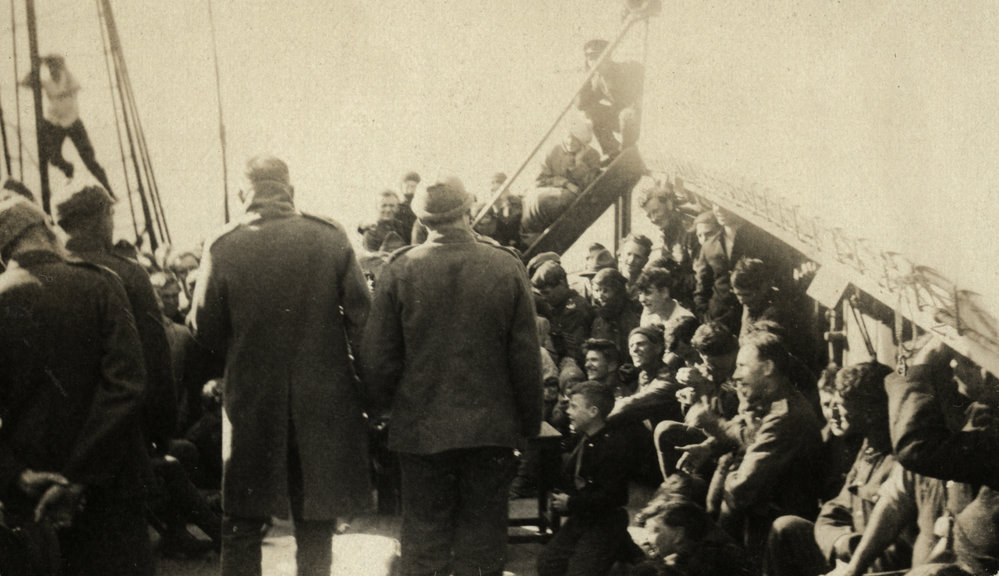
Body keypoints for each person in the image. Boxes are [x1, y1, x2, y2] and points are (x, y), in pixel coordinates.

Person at [187, 155, 372, 576]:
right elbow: (364, 321)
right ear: (290, 188)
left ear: (243, 192)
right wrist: (370, 393)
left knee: (242, 523)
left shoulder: (223, 244)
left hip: (252, 403)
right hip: (321, 404)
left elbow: (203, 329)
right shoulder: (328, 236)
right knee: (315, 524)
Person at [361, 175, 542, 576]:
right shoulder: (505, 265)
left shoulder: (400, 269)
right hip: (491, 433)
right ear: (468, 211)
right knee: (482, 547)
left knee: (424, 544)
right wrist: (528, 426)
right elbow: (526, 360)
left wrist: (385, 411)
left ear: (422, 220)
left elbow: (377, 360)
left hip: (421, 433)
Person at [0, 197, 153, 575]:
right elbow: (127, 385)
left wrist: (14, 473)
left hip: (29, 498)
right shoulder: (100, 284)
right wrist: (77, 477)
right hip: (110, 490)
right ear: (46, 229)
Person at [57, 185, 177, 454]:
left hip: (60, 433)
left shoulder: (47, 275)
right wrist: (163, 428)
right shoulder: (129, 274)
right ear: (101, 217)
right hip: (125, 431)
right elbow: (155, 357)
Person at [686, 331, 824, 565]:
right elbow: (746, 433)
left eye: (743, 366)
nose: (736, 374)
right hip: (761, 508)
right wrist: (710, 445)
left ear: (768, 367)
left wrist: (726, 468)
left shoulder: (785, 416)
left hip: (772, 520)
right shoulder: (772, 400)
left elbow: (742, 489)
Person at [766, 361, 912, 576]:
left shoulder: (900, 462)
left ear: (869, 413)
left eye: (843, 406)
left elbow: (899, 551)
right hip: (848, 557)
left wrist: (850, 562)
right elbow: (833, 511)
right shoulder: (869, 449)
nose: (836, 410)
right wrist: (841, 543)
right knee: (787, 528)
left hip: (875, 569)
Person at [537, 381, 639, 576]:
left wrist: (572, 502)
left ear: (593, 411)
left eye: (574, 407)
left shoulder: (612, 447)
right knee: (548, 565)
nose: (568, 411)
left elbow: (615, 497)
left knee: (579, 573)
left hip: (606, 520)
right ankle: (621, 550)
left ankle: (623, 552)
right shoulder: (583, 438)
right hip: (584, 516)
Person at [20, 55, 114, 196]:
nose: (53, 70)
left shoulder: (69, 78)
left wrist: (58, 68)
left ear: (61, 67)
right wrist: (36, 67)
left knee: (89, 160)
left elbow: (74, 87)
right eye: (51, 67)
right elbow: (25, 83)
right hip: (56, 123)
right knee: (53, 157)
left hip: (73, 121)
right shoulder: (47, 82)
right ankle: (68, 168)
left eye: (56, 67)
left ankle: (109, 191)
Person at [693, 203, 781, 335]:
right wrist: (705, 315)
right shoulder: (709, 245)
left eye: (723, 204)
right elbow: (702, 286)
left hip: (755, 319)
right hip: (719, 319)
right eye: (715, 204)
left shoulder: (761, 239)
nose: (718, 209)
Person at [521, 116, 602, 241]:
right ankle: (529, 236)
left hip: (574, 199)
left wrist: (578, 164)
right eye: (567, 137)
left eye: (575, 139)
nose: (570, 141)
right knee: (535, 199)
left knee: (561, 199)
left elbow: (589, 186)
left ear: (582, 142)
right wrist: (565, 183)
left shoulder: (592, 156)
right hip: (550, 193)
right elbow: (539, 180)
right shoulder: (553, 151)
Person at [576, 39, 644, 161]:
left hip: (640, 117)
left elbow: (642, 73)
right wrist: (586, 79)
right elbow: (581, 105)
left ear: (608, 56)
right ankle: (613, 152)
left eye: (596, 56)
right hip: (622, 120)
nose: (592, 61)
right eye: (588, 57)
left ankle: (626, 152)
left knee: (627, 114)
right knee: (590, 112)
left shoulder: (625, 69)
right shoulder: (597, 81)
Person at [590, 267, 642, 357]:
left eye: (605, 290)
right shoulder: (598, 321)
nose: (600, 296)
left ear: (618, 291)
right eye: (597, 290)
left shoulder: (634, 314)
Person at [636, 267, 695, 331]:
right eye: (640, 293)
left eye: (648, 293)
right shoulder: (647, 314)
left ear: (664, 292)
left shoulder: (686, 320)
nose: (641, 299)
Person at [618, 233, 653, 300]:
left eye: (637, 257)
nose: (631, 260)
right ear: (621, 254)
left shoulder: (648, 284)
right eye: (628, 254)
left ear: (645, 261)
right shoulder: (612, 279)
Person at [395, 171, 421, 243]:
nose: (410, 189)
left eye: (413, 186)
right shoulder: (395, 207)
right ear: (401, 186)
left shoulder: (420, 207)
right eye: (407, 186)